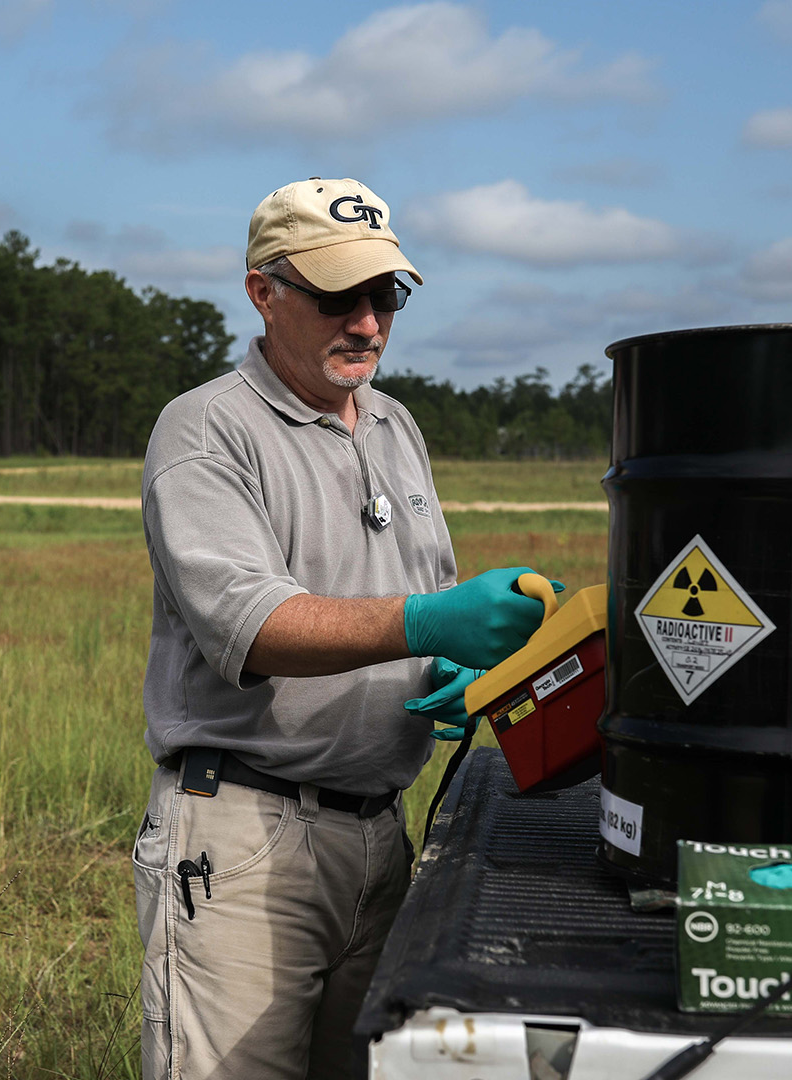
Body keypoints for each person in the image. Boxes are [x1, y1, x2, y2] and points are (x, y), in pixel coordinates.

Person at [134, 177, 555, 1079]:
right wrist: (430, 619)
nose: (366, 322)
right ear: (262, 291)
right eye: (337, 296)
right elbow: (252, 624)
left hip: (383, 836)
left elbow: (418, 590)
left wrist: (450, 660)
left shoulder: (398, 426)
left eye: (385, 295)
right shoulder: (206, 430)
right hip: (246, 842)